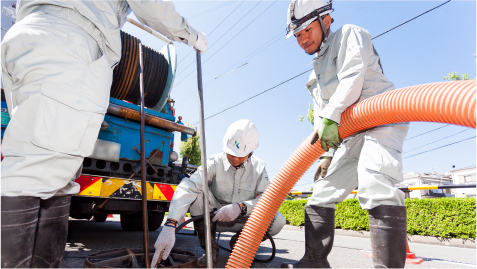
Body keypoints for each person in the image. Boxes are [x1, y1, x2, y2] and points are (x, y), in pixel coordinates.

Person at [1, 1, 207, 267]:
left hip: (31, 34)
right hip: (70, 45)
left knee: (48, 174)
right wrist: (192, 35)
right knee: (34, 173)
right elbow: (151, 5)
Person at [281, 0, 410, 268]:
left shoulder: (350, 34)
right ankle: (314, 262)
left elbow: (353, 76)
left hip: (382, 120)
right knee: (321, 193)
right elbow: (321, 114)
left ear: (326, 20)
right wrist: (325, 154)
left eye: (307, 30)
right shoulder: (316, 69)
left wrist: (331, 116)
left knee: (375, 183)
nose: (303, 39)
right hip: (352, 134)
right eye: (298, 35)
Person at [151, 119, 286, 267]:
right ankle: (210, 249)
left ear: (251, 152)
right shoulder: (214, 162)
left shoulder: (259, 167)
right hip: (214, 218)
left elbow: (268, 199)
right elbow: (189, 186)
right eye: (231, 153)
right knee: (197, 194)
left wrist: (241, 207)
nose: (234, 158)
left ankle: (240, 243)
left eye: (240, 155)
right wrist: (171, 223)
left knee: (278, 220)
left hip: (245, 220)